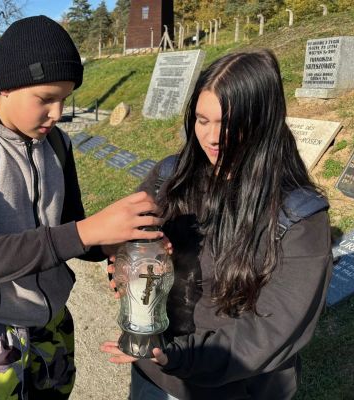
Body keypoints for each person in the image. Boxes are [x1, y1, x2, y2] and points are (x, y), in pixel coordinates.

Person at [0, 15, 163, 399]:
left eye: (64, 98)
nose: (57, 113)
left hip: (45, 330)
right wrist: (87, 232)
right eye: (45, 99)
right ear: (7, 86)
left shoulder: (58, 144)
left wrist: (114, 243)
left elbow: (68, 228)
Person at [100, 49, 333, 399]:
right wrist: (120, 259)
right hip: (153, 374)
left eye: (227, 123)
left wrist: (179, 356)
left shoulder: (298, 217)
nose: (210, 138)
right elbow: (123, 238)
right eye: (202, 120)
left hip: (236, 387)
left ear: (263, 122)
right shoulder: (170, 176)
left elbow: (267, 334)